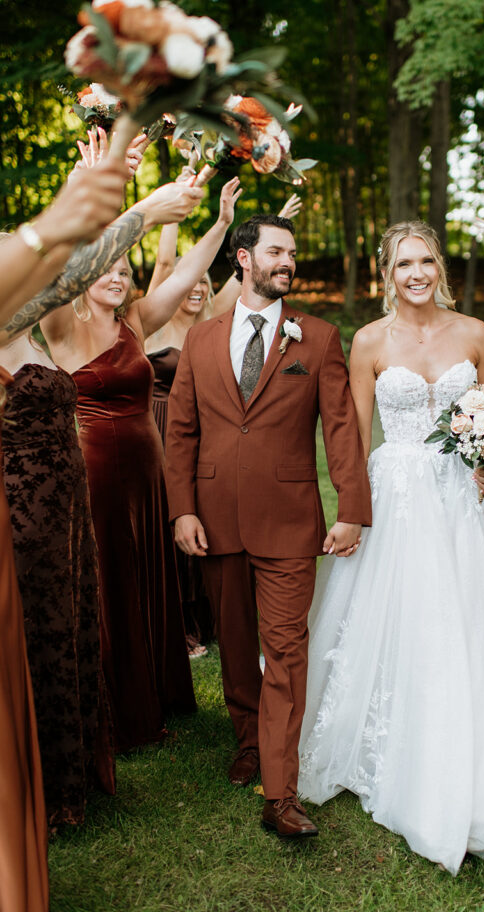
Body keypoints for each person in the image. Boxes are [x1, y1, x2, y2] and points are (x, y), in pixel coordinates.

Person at [297, 221, 484, 875]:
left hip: (464, 495)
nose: (416, 273)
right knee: (402, 612)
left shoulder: (474, 333)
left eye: (425, 260)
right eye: (403, 264)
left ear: (439, 269)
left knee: (469, 610)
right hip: (397, 492)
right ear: (385, 274)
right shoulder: (368, 341)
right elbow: (353, 436)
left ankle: (479, 732)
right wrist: (353, 510)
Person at [165, 212, 372, 839]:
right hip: (215, 521)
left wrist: (353, 508)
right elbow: (180, 431)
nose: (288, 261)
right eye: (276, 251)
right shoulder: (202, 341)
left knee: (285, 650)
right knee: (234, 644)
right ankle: (249, 737)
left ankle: (279, 791)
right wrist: (181, 509)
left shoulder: (318, 338)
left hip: (288, 523)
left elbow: (341, 427)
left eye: (292, 252)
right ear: (244, 259)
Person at [40, 177, 241, 752]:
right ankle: (115, 707)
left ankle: (159, 689)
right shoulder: (61, 325)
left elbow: (181, 276)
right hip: (94, 467)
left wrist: (222, 222)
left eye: (124, 270)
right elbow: (63, 262)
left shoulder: (136, 323)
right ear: (86, 274)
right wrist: (102, 193)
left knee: (150, 574)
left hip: (148, 468)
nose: (118, 275)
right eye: (108, 267)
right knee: (109, 579)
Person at [0, 154, 128, 911]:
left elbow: (70, 272)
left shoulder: (33, 333)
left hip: (63, 505)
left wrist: (119, 182)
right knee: (39, 637)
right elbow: (63, 270)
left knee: (70, 629)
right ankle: (43, 789)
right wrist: (118, 210)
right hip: (20, 511)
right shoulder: (11, 318)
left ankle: (72, 772)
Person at [144, 193, 301, 655]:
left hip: (203, 429)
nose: (195, 290)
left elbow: (246, 279)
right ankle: (178, 621)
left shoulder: (212, 321)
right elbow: (170, 261)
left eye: (202, 287)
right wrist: (182, 210)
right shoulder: (153, 321)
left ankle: (204, 617)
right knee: (170, 518)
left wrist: (272, 240)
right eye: (189, 284)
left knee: (205, 518)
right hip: (157, 426)